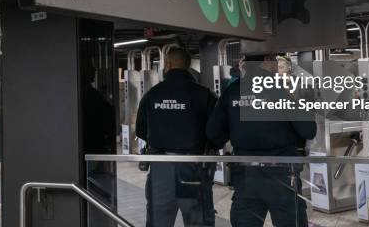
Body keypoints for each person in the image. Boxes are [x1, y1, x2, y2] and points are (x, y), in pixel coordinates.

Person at [207, 54, 317, 227]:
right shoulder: (279, 90)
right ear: (266, 61)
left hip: (245, 175)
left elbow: (213, 133)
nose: (276, 64)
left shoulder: (232, 91)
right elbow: (308, 130)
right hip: (281, 175)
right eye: (274, 60)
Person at [136, 48, 217, 227]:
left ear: (169, 64)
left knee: (158, 221)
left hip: (159, 171)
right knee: (198, 220)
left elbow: (140, 130)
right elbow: (216, 131)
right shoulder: (204, 94)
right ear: (187, 66)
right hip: (194, 168)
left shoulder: (152, 95)